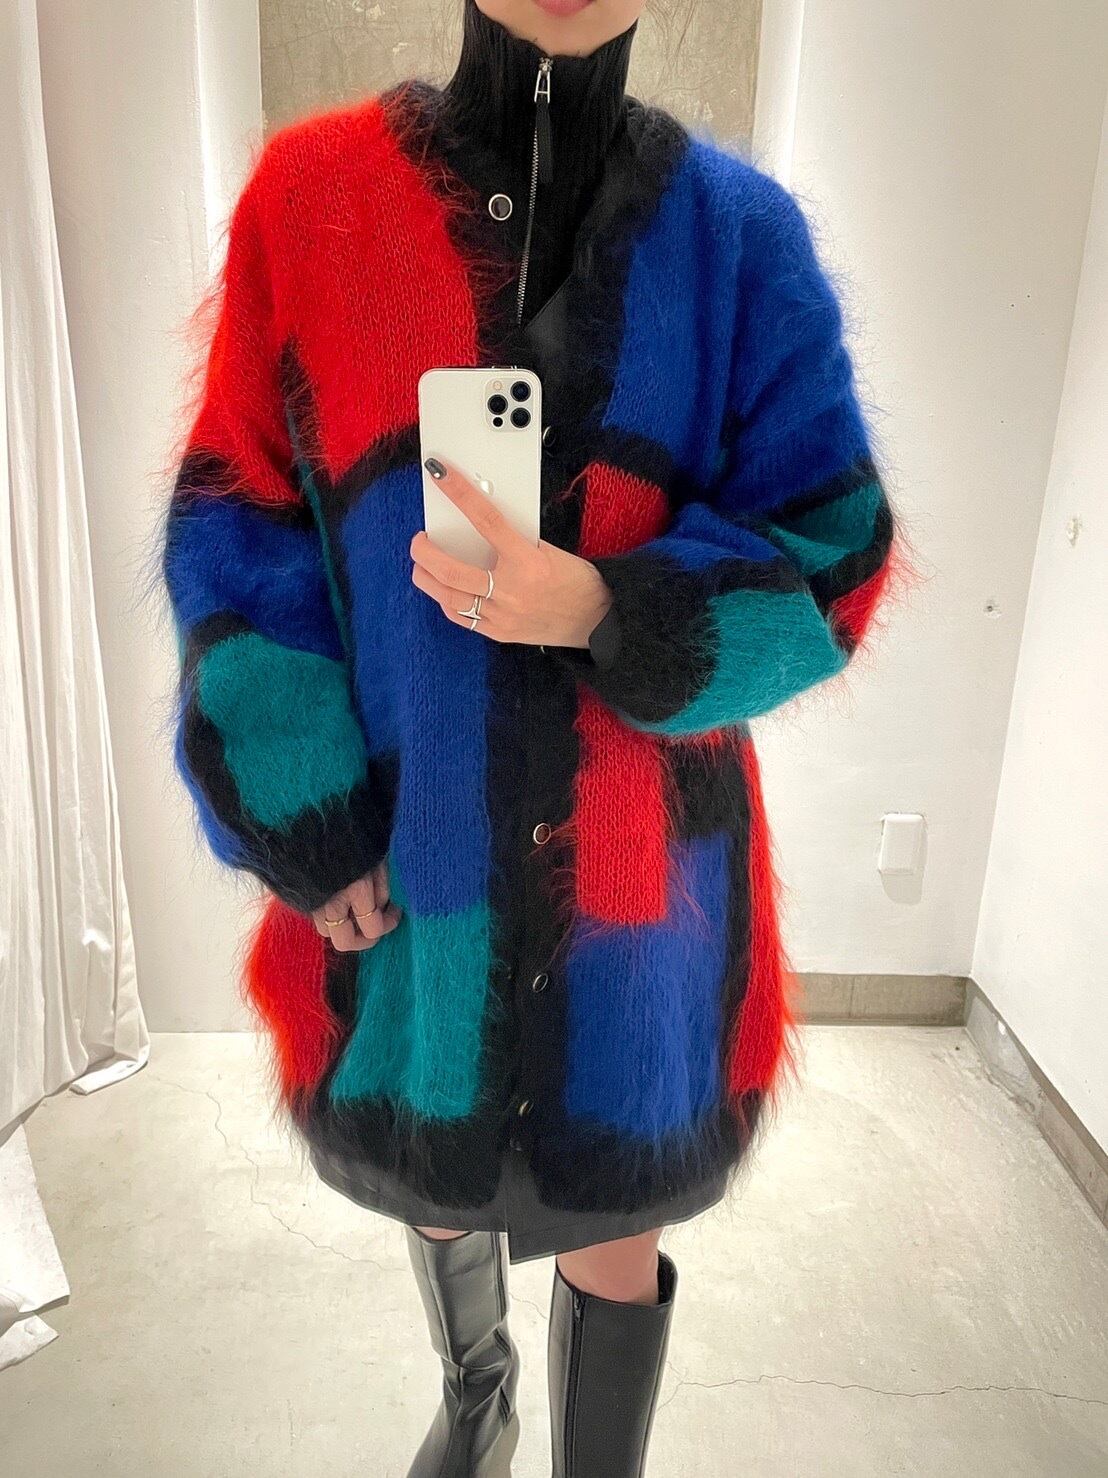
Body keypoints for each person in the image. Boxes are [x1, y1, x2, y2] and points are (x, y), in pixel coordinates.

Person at [160, 0, 898, 1472]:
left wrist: (610, 607)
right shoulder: (313, 203)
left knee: (616, 1207)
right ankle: (478, 1393)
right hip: (412, 831)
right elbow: (239, 528)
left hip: (642, 865)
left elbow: (834, 550)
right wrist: (308, 811)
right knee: (439, 1171)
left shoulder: (740, 238)